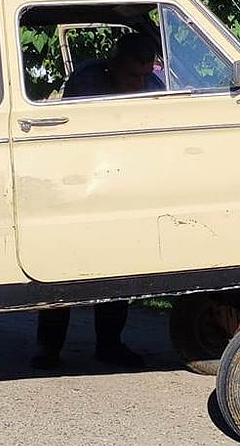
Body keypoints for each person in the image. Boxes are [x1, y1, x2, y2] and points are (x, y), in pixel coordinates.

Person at [32, 32, 163, 370]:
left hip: (121, 186)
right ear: (114, 63)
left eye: (145, 75)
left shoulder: (152, 85)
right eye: (133, 75)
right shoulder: (88, 81)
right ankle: (49, 348)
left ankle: (109, 344)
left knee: (115, 268)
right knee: (60, 268)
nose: (140, 83)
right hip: (77, 184)